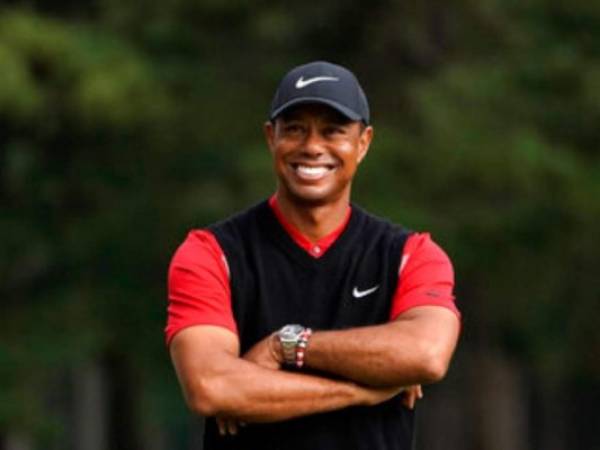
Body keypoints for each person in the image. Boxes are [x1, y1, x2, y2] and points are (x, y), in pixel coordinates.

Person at [166, 61, 461, 450]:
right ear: (271, 137)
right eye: (295, 129)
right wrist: (365, 390)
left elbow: (425, 354)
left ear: (364, 142)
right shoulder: (210, 253)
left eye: (333, 130)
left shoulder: (412, 254)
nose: (312, 146)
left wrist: (286, 346)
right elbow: (211, 386)